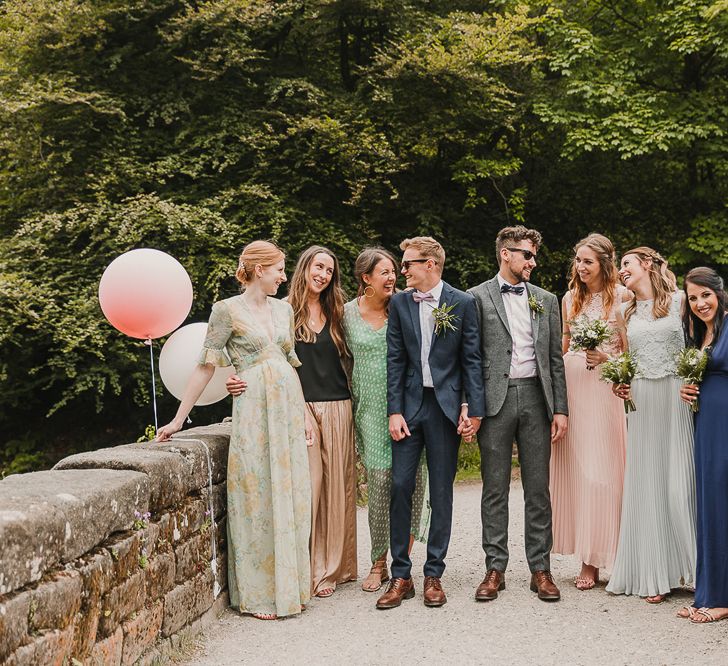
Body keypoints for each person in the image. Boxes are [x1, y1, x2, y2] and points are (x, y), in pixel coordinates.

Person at [157, 240, 311, 620]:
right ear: (260, 269)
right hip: (254, 409)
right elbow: (206, 366)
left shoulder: (285, 308)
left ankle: (291, 587)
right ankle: (260, 593)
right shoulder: (225, 310)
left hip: (287, 406)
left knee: (290, 490)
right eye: (278, 269)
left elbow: (289, 363)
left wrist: (305, 413)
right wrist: (179, 419)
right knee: (256, 491)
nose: (282, 276)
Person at [226, 246, 357, 599]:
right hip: (295, 409)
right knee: (307, 488)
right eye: (318, 266)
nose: (323, 274)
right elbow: (246, 351)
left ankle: (328, 570)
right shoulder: (282, 310)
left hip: (338, 404)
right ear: (304, 268)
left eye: (330, 270)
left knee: (336, 489)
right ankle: (301, 567)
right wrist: (234, 378)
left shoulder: (339, 311)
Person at [376, 236, 484, 609]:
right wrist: (394, 410)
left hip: (445, 407)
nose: (401, 271)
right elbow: (395, 360)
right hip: (409, 406)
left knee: (441, 492)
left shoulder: (463, 302)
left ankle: (433, 574)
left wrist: (472, 407)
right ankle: (400, 575)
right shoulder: (400, 303)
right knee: (401, 485)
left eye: (408, 264)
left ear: (432, 265)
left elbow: (472, 359)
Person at [467, 225, 568, 603]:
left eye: (534, 255)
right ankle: (495, 568)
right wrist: (471, 406)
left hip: (537, 399)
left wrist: (560, 408)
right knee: (494, 488)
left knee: (538, 488)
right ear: (505, 254)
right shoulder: (476, 297)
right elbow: (471, 359)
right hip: (495, 401)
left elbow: (554, 359)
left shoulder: (546, 298)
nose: (533, 261)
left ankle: (540, 569)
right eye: (527, 254)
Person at [607, 247, 696, 603]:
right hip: (642, 399)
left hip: (677, 397)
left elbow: (701, 342)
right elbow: (625, 359)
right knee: (647, 484)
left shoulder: (680, 301)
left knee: (680, 484)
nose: (621, 271)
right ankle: (654, 573)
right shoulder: (624, 311)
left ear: (647, 264)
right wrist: (619, 381)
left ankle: (696, 570)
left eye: (626, 264)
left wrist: (697, 380)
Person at [342, 247, 430, 593]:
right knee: (380, 484)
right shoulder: (347, 313)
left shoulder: (406, 307)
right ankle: (378, 561)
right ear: (366, 278)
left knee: (410, 485)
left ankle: (400, 564)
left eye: (395, 271)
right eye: (385, 272)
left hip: (408, 407)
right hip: (369, 411)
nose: (393, 277)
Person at [551, 234, 629, 590]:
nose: (580, 268)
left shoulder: (624, 298)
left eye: (588, 262)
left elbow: (632, 355)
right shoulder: (570, 298)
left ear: (604, 264)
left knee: (604, 475)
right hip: (573, 388)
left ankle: (609, 555)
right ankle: (587, 560)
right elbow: (564, 348)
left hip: (604, 392)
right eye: (578, 261)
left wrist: (608, 359)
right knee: (579, 474)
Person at [677, 267, 728, 623]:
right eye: (693, 298)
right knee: (709, 504)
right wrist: (687, 388)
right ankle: (707, 592)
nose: (699, 303)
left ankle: (722, 599)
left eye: (705, 295)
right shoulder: (699, 334)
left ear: (719, 293)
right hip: (705, 423)